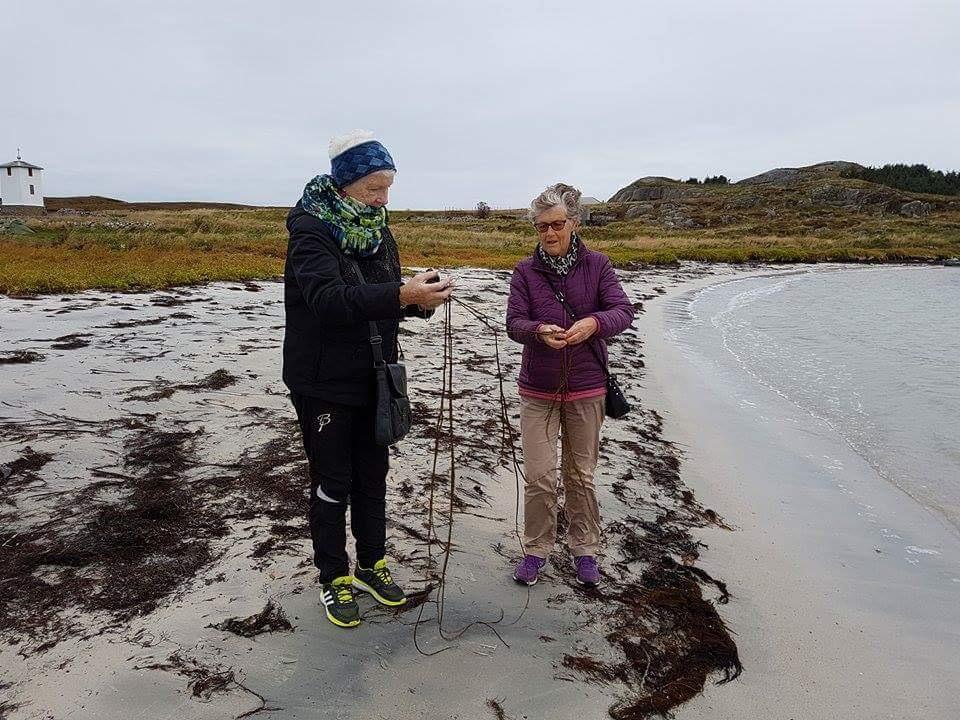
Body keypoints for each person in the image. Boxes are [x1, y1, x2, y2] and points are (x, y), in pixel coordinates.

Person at [283, 130, 453, 628]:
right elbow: (329, 302)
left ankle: (370, 565)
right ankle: (332, 577)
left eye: (388, 188)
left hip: (376, 376)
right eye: (374, 189)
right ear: (346, 183)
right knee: (334, 481)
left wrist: (421, 299)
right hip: (322, 381)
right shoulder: (311, 230)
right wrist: (402, 296)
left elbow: (384, 297)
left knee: (373, 475)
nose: (383, 199)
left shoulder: (378, 227)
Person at [505, 183, 635, 587]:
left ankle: (585, 549)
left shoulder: (598, 265)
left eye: (557, 224)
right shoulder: (525, 272)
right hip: (538, 391)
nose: (549, 233)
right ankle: (536, 549)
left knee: (581, 476)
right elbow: (514, 324)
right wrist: (538, 330)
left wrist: (593, 324)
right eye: (542, 226)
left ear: (574, 223)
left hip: (587, 388)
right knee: (540, 477)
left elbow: (623, 311)